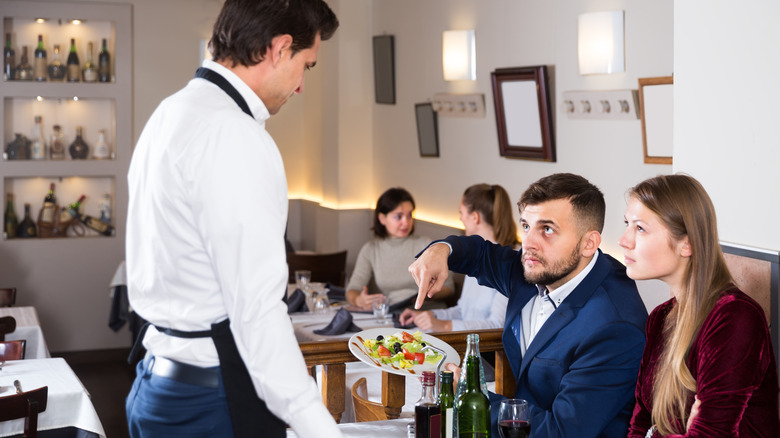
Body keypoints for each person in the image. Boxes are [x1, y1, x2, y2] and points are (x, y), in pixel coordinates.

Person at [124, 1, 340, 437]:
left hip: (155, 380)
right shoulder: (234, 135)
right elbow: (256, 311)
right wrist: (318, 426)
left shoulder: (170, 111)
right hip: (211, 398)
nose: (300, 86)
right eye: (307, 66)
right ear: (279, 49)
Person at [409, 173, 648, 438]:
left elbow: (562, 431)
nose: (528, 245)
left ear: (588, 244)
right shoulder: (536, 268)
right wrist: (440, 249)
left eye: (547, 229)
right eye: (526, 226)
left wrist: (472, 398)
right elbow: (480, 255)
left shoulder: (614, 326)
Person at [622, 174, 780, 437]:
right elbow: (639, 425)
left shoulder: (735, 318)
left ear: (688, 244)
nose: (624, 240)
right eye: (626, 224)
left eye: (640, 228)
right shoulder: (660, 318)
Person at [399, 183, 516, 331]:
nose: (460, 219)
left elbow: (497, 325)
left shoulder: (507, 264)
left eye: (461, 213)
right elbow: (462, 311)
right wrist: (427, 316)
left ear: (475, 217)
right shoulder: (475, 259)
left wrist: (444, 326)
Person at [346, 187, 454, 310]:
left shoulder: (425, 244)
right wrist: (358, 300)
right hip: (395, 314)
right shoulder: (371, 249)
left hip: (429, 312)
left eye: (409, 216)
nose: (406, 222)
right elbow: (352, 289)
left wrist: (429, 292)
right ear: (382, 218)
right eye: (398, 217)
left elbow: (449, 288)